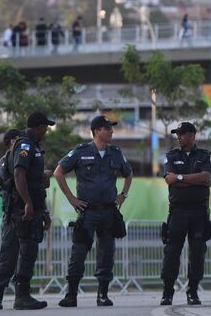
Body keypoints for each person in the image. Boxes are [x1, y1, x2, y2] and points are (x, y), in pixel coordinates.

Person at [54, 115, 133, 308]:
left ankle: (103, 295)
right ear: (97, 131)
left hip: (108, 212)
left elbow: (128, 173)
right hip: (88, 212)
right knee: (79, 252)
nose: (111, 131)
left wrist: (123, 194)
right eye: (107, 128)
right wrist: (71, 198)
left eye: (111, 128)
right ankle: (71, 295)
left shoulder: (115, 152)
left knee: (107, 253)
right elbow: (58, 172)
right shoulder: (81, 152)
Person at [160, 122, 211, 306]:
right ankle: (167, 292)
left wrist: (181, 178)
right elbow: (170, 180)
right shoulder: (171, 156)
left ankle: (193, 291)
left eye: (182, 134)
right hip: (178, 212)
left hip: (199, 212)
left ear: (192, 135)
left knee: (197, 253)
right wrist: (195, 181)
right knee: (172, 253)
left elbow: (206, 177)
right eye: (177, 134)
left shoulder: (204, 156)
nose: (178, 137)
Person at [8, 112, 56, 310]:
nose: (46, 130)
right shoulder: (25, 145)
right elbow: (19, 174)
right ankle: (22, 296)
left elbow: (36, 183)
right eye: (45, 126)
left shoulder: (34, 146)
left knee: (30, 250)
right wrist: (27, 203)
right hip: (24, 208)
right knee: (27, 251)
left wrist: (43, 211)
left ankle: (24, 293)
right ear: (38, 127)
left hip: (35, 207)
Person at [0, 129, 21, 310]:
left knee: (25, 257)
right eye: (19, 139)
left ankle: (22, 294)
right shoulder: (4, 161)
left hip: (24, 214)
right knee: (7, 257)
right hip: (12, 215)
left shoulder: (20, 160)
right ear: (12, 141)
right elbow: (8, 183)